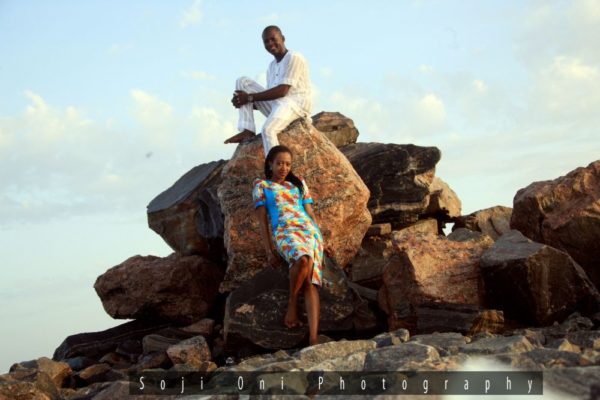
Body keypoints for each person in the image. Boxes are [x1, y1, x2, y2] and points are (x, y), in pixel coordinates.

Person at [252, 145, 323, 345]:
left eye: (288, 164)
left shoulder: (298, 185)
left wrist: (319, 234)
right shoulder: (262, 186)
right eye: (280, 163)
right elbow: (262, 220)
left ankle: (314, 338)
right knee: (302, 259)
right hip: (284, 231)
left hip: (308, 231)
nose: (284, 168)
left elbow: (310, 212)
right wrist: (268, 250)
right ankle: (292, 305)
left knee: (310, 280)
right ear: (270, 164)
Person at [225, 26, 312, 156]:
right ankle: (247, 129)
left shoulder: (294, 57)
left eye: (273, 39)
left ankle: (275, 174)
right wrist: (243, 102)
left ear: (282, 38)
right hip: (278, 105)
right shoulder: (271, 66)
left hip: (295, 106)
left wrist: (248, 98)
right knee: (242, 82)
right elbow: (269, 97)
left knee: (268, 130)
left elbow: (282, 91)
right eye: (266, 41)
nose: (270, 43)